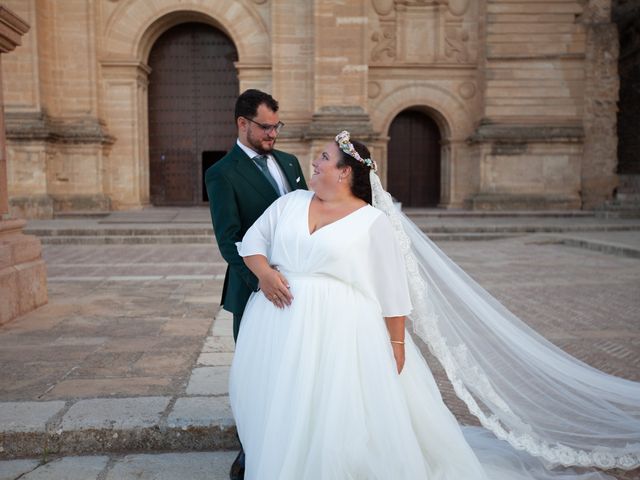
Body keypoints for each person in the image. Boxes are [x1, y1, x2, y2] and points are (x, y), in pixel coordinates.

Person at [229, 131, 640, 479]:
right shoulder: (290, 203)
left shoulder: (371, 222)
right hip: (277, 325)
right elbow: (252, 243)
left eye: (323, 158)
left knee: (334, 406)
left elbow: (392, 290)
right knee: (281, 397)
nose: (314, 163)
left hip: (342, 330)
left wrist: (396, 345)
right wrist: (264, 272)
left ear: (345, 172)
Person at [205, 89, 307, 480]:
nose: (273, 135)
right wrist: (261, 279)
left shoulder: (290, 162)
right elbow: (228, 238)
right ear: (242, 124)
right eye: (265, 127)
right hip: (252, 289)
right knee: (256, 371)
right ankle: (250, 449)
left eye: (277, 126)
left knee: (296, 367)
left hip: (300, 285)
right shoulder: (221, 173)